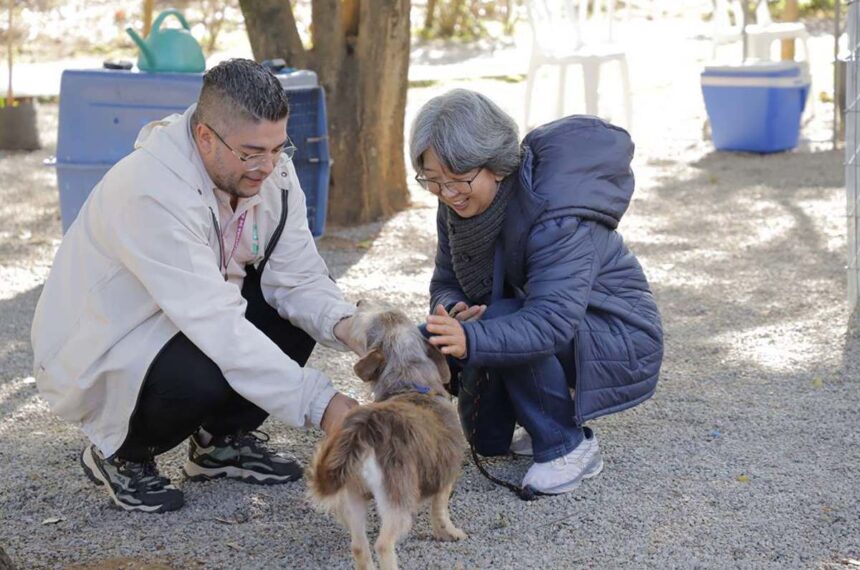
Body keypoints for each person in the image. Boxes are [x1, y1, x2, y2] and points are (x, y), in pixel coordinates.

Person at [31, 59, 363, 513]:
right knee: (203, 370)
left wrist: (357, 330)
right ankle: (120, 453)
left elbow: (300, 278)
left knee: (293, 313)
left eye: (278, 147)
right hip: (106, 346)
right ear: (205, 136)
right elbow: (217, 325)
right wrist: (325, 406)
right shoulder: (150, 190)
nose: (268, 167)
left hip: (187, 317)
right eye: (252, 152)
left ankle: (219, 445)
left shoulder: (272, 174)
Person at [412, 89, 663, 495]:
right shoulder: (455, 205)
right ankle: (535, 417)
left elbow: (551, 320)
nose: (448, 192)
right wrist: (453, 308)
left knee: (500, 319)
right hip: (530, 317)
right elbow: (445, 280)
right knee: (487, 442)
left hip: (611, 332)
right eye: (433, 180)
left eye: (459, 178)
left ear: (497, 165)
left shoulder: (556, 215)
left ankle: (569, 446)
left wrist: (473, 338)